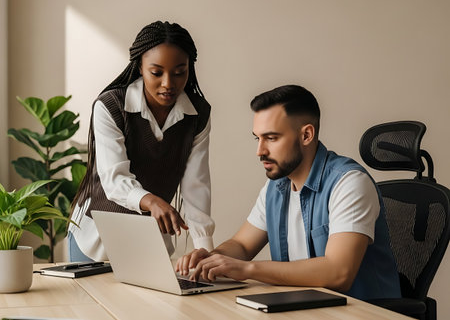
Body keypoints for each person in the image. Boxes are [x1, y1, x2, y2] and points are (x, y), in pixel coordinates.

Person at [176, 85, 401, 300]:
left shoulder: (350, 183)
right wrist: (211, 258)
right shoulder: (276, 188)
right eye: (258, 138)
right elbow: (242, 245)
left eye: (271, 138)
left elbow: (338, 272)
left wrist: (248, 269)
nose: (259, 151)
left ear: (306, 135)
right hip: (304, 309)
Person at [68, 21, 215, 262]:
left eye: (180, 72)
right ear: (139, 67)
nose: (168, 83)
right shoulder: (111, 106)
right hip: (96, 241)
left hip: (150, 242)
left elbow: (196, 185)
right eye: (156, 73)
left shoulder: (198, 115)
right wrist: (151, 201)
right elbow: (114, 179)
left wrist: (203, 247)